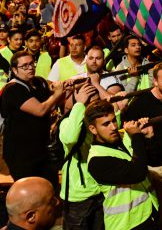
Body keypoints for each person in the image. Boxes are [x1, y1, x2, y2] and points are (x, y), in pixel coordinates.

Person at [122, 62, 162, 228]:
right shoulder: (140, 104)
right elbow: (127, 130)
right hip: (152, 169)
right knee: (158, 211)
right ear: (155, 82)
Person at [85, 99, 158, 229]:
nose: (113, 127)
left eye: (113, 120)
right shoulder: (97, 160)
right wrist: (136, 136)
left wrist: (148, 137)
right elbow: (138, 173)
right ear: (93, 129)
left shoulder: (122, 139)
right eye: (106, 124)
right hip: (126, 224)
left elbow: (152, 160)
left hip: (147, 214)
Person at [0, 50, 64, 186]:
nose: (30, 68)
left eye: (32, 64)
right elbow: (40, 110)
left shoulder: (38, 82)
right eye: (25, 66)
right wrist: (57, 94)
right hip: (21, 153)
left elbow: (50, 106)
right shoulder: (13, 89)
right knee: (30, 190)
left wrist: (65, 90)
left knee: (49, 187)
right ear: (15, 70)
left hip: (41, 149)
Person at [58, 82, 103, 230]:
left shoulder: (100, 124)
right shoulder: (68, 123)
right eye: (90, 103)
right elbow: (70, 138)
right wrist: (79, 104)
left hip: (100, 190)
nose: (95, 108)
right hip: (78, 196)